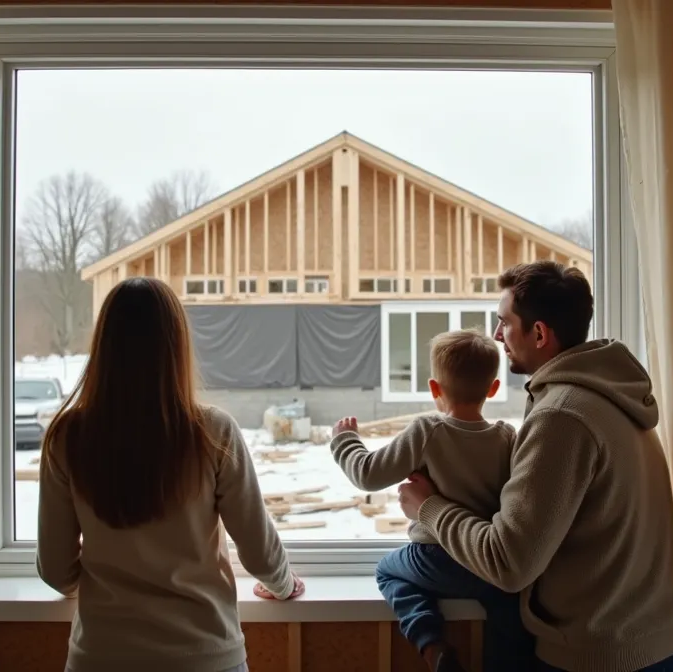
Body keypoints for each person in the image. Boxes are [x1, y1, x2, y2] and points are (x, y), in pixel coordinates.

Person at [398, 261, 673, 672]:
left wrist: (427, 507)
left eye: (504, 323)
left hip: (596, 657)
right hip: (650, 646)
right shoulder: (610, 396)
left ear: (538, 333)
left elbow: (508, 563)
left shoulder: (563, 416)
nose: (497, 336)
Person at [37, 277, 305, 672]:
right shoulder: (213, 432)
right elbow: (260, 552)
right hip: (206, 655)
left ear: (104, 348)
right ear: (176, 347)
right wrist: (284, 584)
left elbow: (57, 572)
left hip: (102, 656)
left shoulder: (67, 438)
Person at [329, 329, 534, 672]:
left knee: (388, 572)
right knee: (507, 608)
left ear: (435, 389)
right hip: (485, 562)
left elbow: (368, 474)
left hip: (433, 559)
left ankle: (431, 644)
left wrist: (345, 441)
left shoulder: (428, 430)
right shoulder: (506, 437)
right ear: (493, 389)